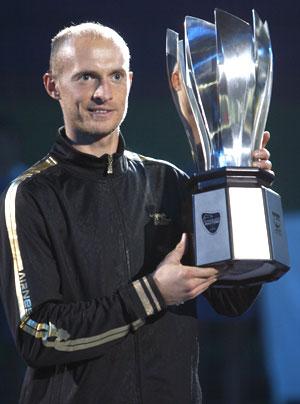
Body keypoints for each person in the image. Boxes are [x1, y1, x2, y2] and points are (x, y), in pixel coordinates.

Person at [0, 23, 272, 404]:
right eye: (85, 77)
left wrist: (243, 192)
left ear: (129, 81)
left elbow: (232, 301)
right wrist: (154, 293)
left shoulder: (170, 182)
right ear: (52, 86)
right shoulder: (31, 195)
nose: (102, 93)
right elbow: (38, 335)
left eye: (114, 76)